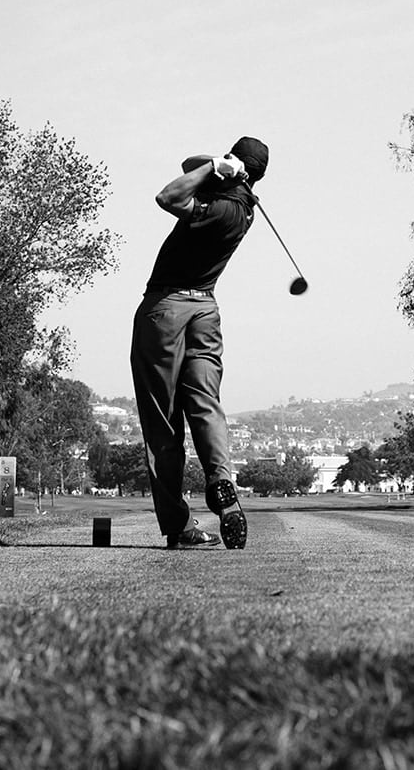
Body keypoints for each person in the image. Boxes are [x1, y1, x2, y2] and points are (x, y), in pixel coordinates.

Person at [130, 138, 269, 550]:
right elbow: (189, 161)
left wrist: (215, 170)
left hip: (167, 308)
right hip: (205, 309)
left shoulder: (223, 208)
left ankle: (179, 525)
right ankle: (221, 480)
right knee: (206, 404)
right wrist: (219, 166)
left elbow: (167, 195)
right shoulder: (244, 207)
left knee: (163, 421)